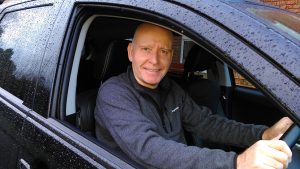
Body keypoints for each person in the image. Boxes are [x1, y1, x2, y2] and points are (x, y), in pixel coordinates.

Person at [94, 23, 293, 169]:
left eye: (163, 51)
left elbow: (207, 123)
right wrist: (237, 162)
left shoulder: (170, 88)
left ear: (171, 56)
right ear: (131, 52)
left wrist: (262, 134)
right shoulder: (114, 93)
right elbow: (148, 148)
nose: (154, 60)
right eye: (145, 49)